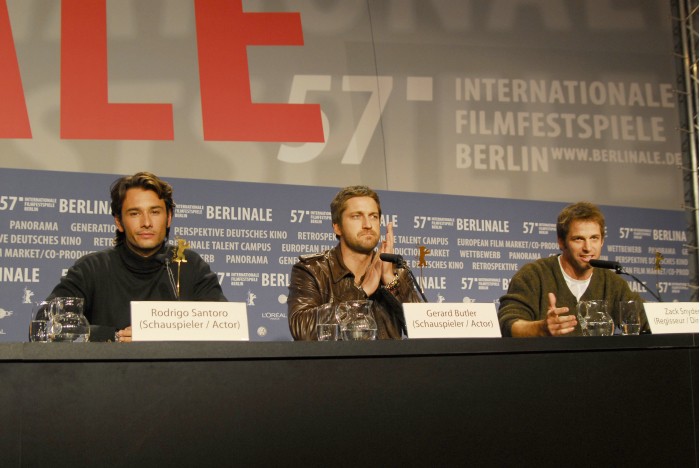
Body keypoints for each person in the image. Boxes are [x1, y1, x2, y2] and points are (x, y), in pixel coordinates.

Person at [46, 172, 226, 342]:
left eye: (155, 212)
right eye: (135, 213)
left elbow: (224, 329)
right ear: (119, 222)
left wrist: (159, 333)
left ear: (169, 217)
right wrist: (116, 336)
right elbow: (47, 325)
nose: (146, 223)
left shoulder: (189, 265)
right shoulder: (92, 268)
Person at [287, 185, 420, 340]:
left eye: (373, 216)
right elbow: (302, 328)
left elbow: (425, 329)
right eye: (357, 216)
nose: (368, 225)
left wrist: (391, 282)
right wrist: (362, 293)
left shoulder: (397, 271)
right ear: (337, 227)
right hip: (338, 364)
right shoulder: (312, 270)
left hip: (390, 364)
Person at [498, 201, 643, 337]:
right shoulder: (534, 275)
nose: (588, 248)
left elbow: (644, 320)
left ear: (602, 241)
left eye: (594, 238)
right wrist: (541, 328)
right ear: (561, 242)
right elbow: (507, 324)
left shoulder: (612, 283)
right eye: (578, 239)